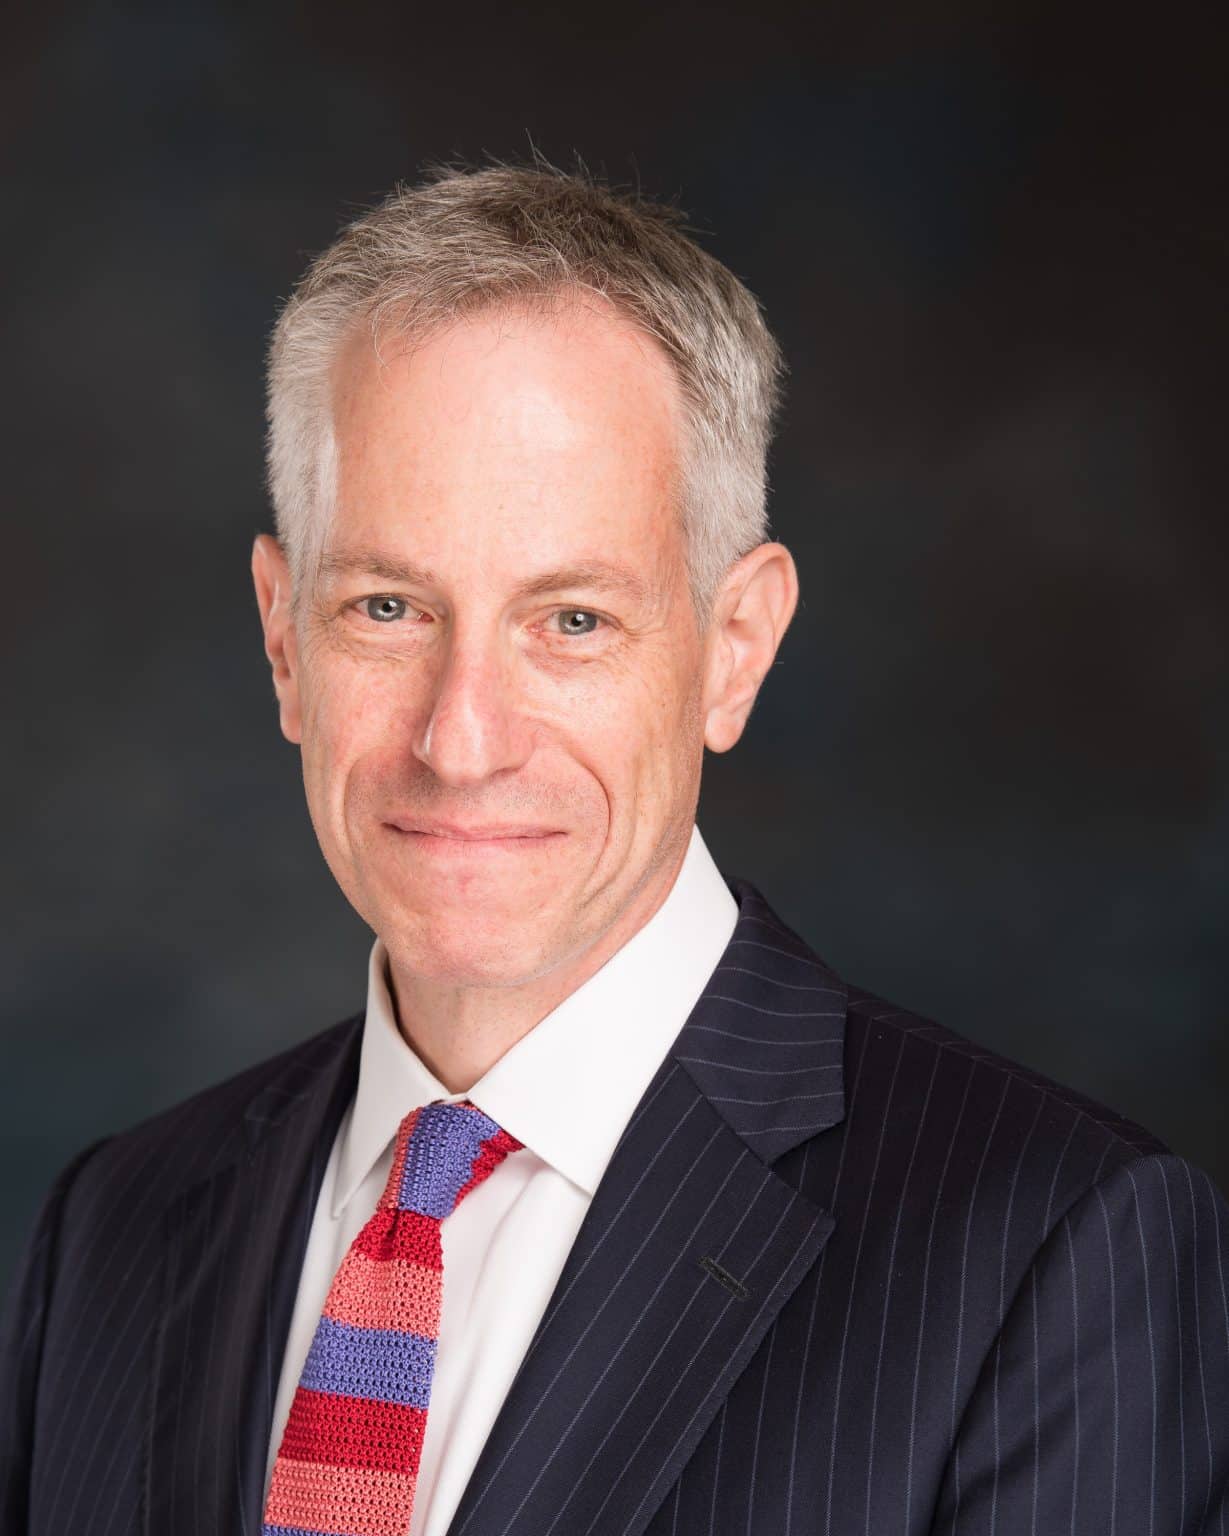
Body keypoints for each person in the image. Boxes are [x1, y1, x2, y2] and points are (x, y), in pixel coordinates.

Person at [1, 162, 1225, 1536]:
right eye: (388, 607)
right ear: (284, 639)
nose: (461, 741)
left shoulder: (1047, 1254)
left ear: (734, 649)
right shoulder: (114, 1228)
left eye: (572, 620)